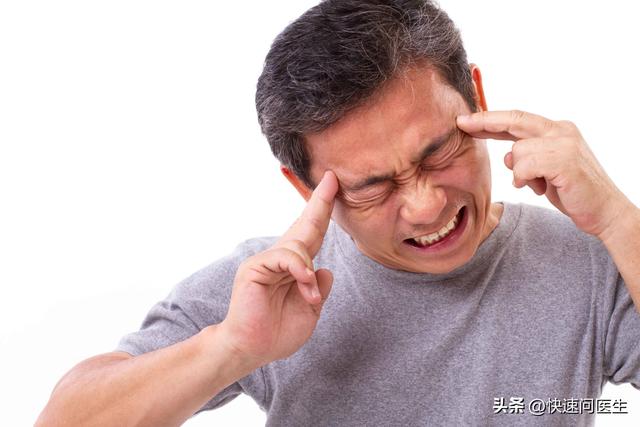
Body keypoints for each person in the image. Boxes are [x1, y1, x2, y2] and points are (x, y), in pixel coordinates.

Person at [37, 0, 640, 425]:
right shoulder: (271, 288)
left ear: (476, 99)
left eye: (438, 152)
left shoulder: (592, 259)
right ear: (306, 188)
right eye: (373, 187)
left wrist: (619, 220)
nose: (426, 205)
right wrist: (232, 348)